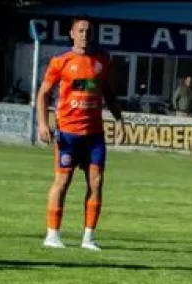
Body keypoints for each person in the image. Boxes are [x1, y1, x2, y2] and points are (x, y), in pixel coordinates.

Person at [36, 16, 124, 251]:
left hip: (94, 135)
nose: (85, 35)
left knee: (96, 182)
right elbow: (43, 93)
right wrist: (43, 123)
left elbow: (108, 93)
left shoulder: (102, 60)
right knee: (62, 181)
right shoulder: (60, 61)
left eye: (88, 31)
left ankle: (88, 238)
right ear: (72, 34)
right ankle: (52, 235)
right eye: (81, 30)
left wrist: (119, 120)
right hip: (68, 133)